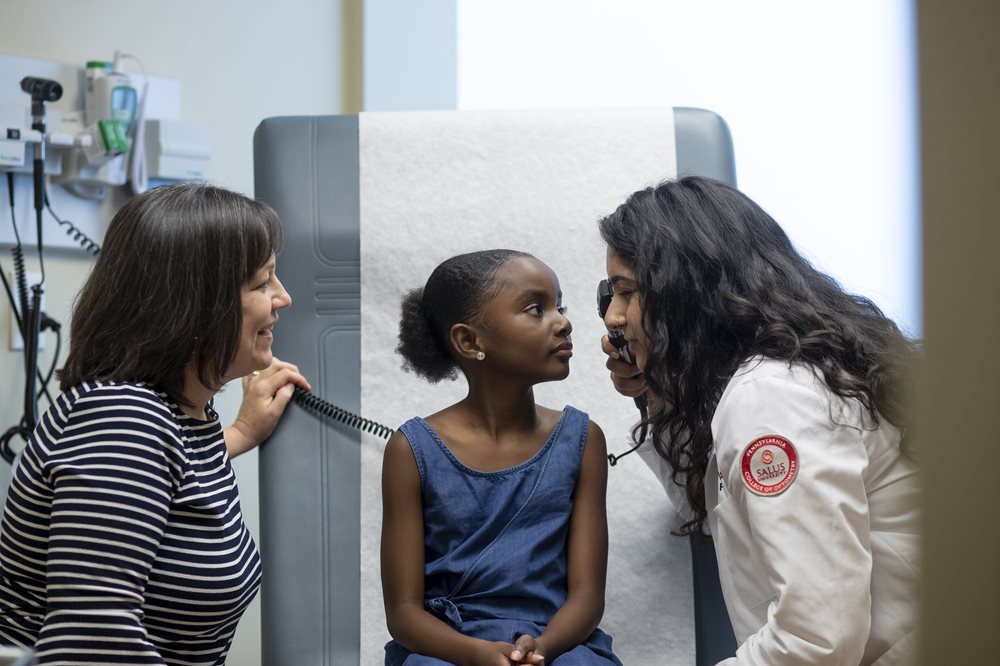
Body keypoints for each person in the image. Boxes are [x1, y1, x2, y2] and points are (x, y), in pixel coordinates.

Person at [597, 176, 920, 665]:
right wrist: (657, 395)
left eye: (624, 292)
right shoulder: (800, 372)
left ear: (682, 290)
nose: (612, 317)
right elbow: (708, 516)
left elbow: (815, 641)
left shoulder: (772, 395)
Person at [0, 183, 310, 664]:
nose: (283, 298)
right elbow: (92, 643)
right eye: (262, 283)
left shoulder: (174, 417)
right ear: (197, 305)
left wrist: (241, 433)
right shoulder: (121, 420)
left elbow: (157, 484)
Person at [381, 249, 622, 666]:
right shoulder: (410, 450)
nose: (563, 321)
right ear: (470, 341)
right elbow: (404, 613)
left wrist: (542, 649)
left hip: (555, 645)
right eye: (536, 309)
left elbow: (586, 596)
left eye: (559, 306)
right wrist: (476, 653)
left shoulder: (584, 441)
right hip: (450, 650)